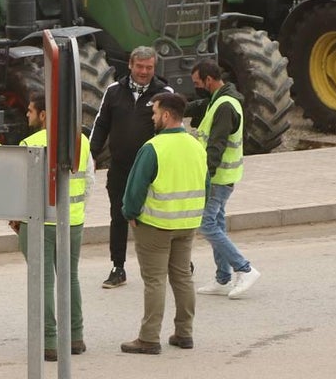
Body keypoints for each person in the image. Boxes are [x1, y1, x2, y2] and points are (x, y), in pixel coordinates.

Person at [120, 91, 207, 354]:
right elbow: (207, 184)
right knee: (182, 277)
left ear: (167, 115)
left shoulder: (153, 147)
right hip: (188, 222)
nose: (153, 117)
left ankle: (149, 338)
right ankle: (184, 332)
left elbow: (135, 188)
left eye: (155, 112)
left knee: (155, 280)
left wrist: (130, 213)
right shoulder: (196, 145)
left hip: (156, 224)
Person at [15, 92, 94, 361]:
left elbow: (21, 188)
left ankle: (49, 341)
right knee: (70, 277)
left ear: (44, 115)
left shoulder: (29, 143)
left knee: (44, 280)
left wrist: (18, 218)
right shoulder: (81, 140)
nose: (27, 115)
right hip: (72, 220)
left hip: (39, 222)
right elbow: (90, 181)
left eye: (30, 111)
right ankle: (75, 336)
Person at [90, 46, 172, 289]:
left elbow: (172, 129)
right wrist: (90, 156)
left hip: (152, 170)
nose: (144, 72)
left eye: (149, 67)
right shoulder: (113, 92)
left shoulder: (164, 93)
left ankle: (172, 261)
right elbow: (101, 125)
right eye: (140, 66)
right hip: (120, 168)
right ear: (130, 64)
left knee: (157, 218)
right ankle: (118, 267)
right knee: (119, 216)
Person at [189, 60, 261, 299]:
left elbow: (216, 146)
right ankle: (222, 278)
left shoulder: (224, 105)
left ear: (209, 80)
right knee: (217, 223)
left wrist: (204, 177)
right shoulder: (220, 99)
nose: (197, 87)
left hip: (217, 178)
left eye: (198, 82)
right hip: (224, 176)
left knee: (207, 224)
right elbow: (201, 110)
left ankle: (244, 268)